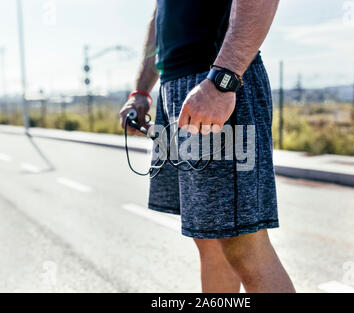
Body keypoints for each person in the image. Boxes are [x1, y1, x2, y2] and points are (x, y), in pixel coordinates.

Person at [119, 0, 295, 293]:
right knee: (210, 238)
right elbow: (159, 16)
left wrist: (223, 81)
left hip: (215, 82)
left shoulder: (220, 82)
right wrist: (141, 92)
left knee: (243, 244)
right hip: (177, 87)